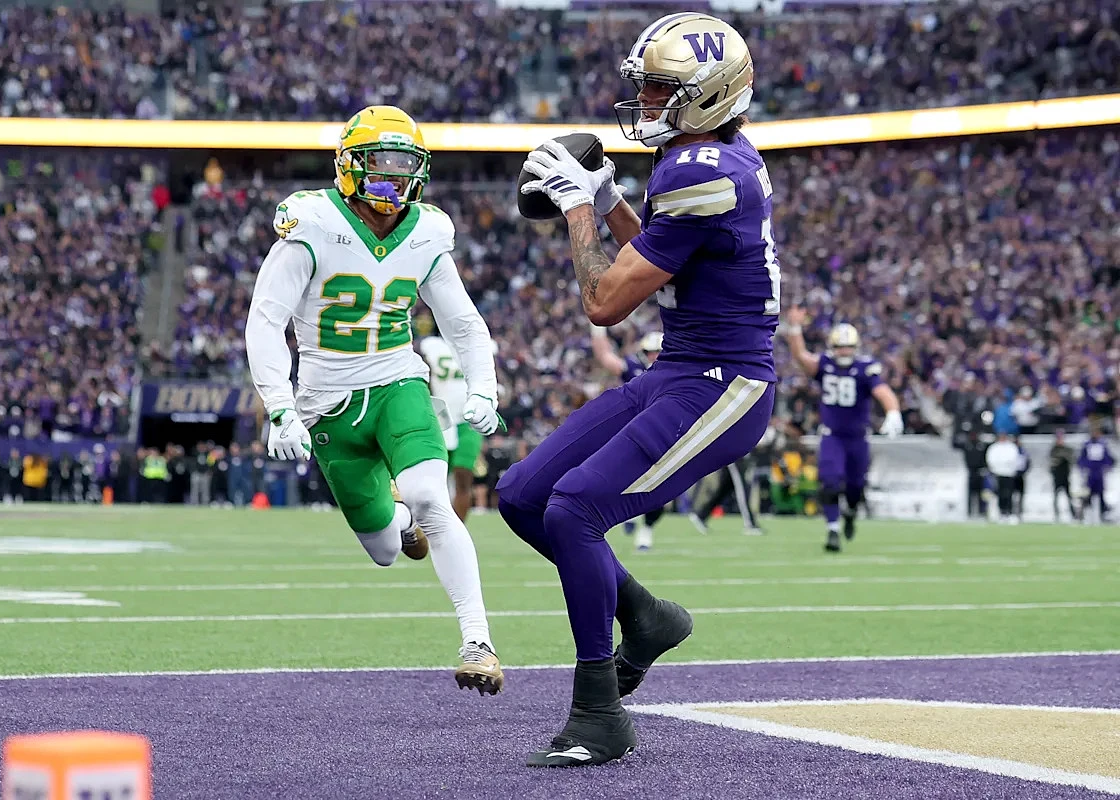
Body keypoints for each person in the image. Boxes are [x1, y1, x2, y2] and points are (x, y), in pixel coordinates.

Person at [497, 13, 778, 766]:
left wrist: (577, 207)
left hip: (724, 385)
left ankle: (598, 712)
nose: (646, 100)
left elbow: (605, 302)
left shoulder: (699, 170)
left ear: (709, 94)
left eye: (661, 88)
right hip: (678, 370)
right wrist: (610, 198)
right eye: (646, 85)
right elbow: (659, 256)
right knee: (522, 495)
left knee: (574, 510)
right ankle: (646, 618)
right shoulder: (709, 155)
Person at [244, 105, 504, 694]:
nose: (394, 177)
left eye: (405, 165)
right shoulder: (312, 223)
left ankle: (478, 641)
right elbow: (266, 320)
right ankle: (403, 522)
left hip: (397, 383)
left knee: (432, 497)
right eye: (381, 163)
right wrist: (279, 407)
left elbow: (463, 322)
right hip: (327, 404)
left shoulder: (427, 231)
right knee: (386, 549)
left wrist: (483, 387)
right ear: (350, 165)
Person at [780, 312, 904, 552]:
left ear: (855, 347)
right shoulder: (825, 365)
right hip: (832, 435)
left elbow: (882, 391)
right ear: (832, 347)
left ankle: (851, 512)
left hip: (858, 437)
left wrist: (893, 411)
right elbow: (801, 357)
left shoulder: (864, 368)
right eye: (839, 347)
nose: (844, 352)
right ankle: (833, 529)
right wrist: (794, 328)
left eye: (848, 347)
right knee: (829, 481)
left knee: (856, 487)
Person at [591, 328, 667, 551]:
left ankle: (646, 529)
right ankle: (629, 513)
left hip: (662, 433)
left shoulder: (675, 371)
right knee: (620, 477)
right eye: (651, 352)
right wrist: (597, 329)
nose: (655, 356)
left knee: (662, 485)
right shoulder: (634, 368)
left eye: (659, 351)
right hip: (632, 432)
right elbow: (606, 357)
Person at [418, 332, 496, 522]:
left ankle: (457, 530)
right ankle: (430, 528)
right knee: (432, 482)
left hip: (469, 419)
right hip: (440, 418)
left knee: (463, 478)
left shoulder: (481, 342)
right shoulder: (431, 345)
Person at [1078, 429, 1115, 523]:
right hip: (1090, 474)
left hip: (1099, 474)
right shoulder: (1087, 445)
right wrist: (1083, 469)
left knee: (1101, 495)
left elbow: (1108, 458)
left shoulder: (1102, 445)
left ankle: (1103, 515)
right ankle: (1085, 515)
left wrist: (1108, 466)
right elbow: (1081, 459)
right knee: (1087, 495)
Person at [985, 432, 1021, 525]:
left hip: (1009, 473)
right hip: (998, 473)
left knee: (1009, 494)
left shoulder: (1011, 447)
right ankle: (1002, 513)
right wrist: (997, 468)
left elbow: (1014, 459)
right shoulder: (994, 447)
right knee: (1000, 494)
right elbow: (991, 459)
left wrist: (1008, 466)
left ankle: (1010, 513)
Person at [1049, 429, 1076, 522]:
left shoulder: (1067, 449)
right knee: (1056, 496)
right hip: (1057, 477)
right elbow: (1052, 462)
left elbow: (1071, 459)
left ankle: (1073, 515)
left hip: (1065, 477)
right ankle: (1056, 515)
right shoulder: (1054, 450)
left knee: (1069, 497)